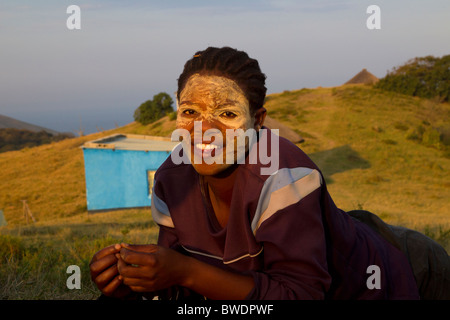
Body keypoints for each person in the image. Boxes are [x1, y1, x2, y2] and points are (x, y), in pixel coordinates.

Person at [90, 46, 449, 300]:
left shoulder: (283, 176)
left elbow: (302, 292)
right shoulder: (171, 180)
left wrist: (185, 271)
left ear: (258, 121)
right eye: (190, 112)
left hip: (400, 264)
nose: (204, 130)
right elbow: (186, 288)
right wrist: (133, 281)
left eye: (228, 115)